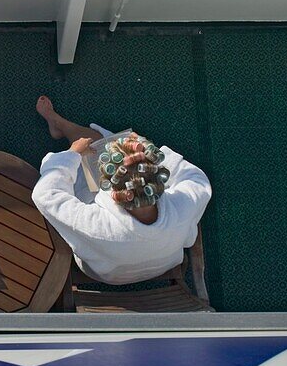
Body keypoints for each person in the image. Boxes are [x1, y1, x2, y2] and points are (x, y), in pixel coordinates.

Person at [32, 96, 212, 285]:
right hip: (162, 265)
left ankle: (59, 125)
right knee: (104, 145)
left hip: (106, 275)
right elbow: (197, 178)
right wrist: (146, 152)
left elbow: (45, 194)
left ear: (113, 191)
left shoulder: (97, 225)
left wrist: (72, 154)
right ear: (158, 179)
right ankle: (61, 125)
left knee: (91, 149)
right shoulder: (183, 206)